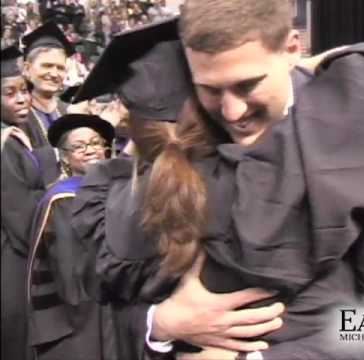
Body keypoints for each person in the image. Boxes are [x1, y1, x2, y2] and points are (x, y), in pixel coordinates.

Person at [147, 1, 364, 359]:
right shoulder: (175, 135)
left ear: (292, 49)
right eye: (211, 89)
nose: (232, 111)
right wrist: (160, 324)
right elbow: (109, 289)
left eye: (247, 85)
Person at [71, 17, 285, 360]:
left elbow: (95, 313)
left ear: (131, 122)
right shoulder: (271, 179)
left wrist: (158, 325)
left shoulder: (102, 198)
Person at [27, 113, 116, 360]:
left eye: (96, 143)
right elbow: (70, 265)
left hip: (108, 295)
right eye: (79, 147)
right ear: (65, 157)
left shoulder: (113, 187)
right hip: (82, 307)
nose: (90, 150)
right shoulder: (63, 198)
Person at [1, 45, 46, 360]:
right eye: (9, 92)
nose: (21, 98)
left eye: (24, 90)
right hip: (12, 264)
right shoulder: (3, 146)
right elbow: (23, 221)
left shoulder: (27, 130)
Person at [21, 20, 75, 148]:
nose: (54, 74)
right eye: (47, 66)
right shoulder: (18, 115)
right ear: (27, 68)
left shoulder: (68, 111)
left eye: (60, 68)